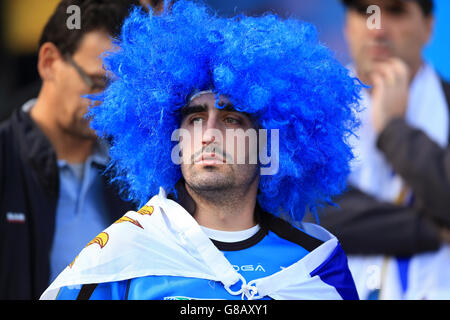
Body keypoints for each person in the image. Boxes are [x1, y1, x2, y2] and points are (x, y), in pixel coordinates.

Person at [41, 1, 362, 300]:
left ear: (269, 143)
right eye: (195, 119)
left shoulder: (317, 263)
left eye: (232, 118)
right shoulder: (121, 255)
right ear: (173, 141)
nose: (209, 134)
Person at [0, 0, 142, 300]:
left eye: (120, 89)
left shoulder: (136, 173)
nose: (109, 102)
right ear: (49, 62)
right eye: (98, 82)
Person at [315, 0, 450, 299]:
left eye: (396, 11)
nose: (378, 29)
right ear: (347, 25)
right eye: (365, 12)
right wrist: (434, 230)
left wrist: (394, 130)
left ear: (429, 27)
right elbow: (306, 213)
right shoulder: (308, 114)